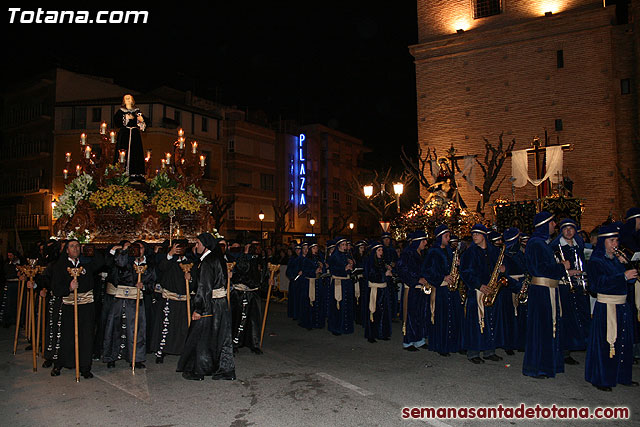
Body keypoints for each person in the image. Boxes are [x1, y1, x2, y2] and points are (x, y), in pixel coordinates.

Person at [523, 212, 580, 379]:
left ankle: (548, 364)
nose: (555, 225)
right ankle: (538, 366)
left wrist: (565, 270)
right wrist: (562, 266)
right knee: (542, 328)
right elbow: (539, 269)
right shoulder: (536, 244)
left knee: (550, 327)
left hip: (548, 290)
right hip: (542, 292)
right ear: (545, 224)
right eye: (552, 222)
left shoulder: (542, 243)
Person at [585, 223, 639, 391]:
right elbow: (596, 284)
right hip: (607, 306)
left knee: (624, 342)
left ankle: (622, 375)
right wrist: (622, 276)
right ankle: (601, 378)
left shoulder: (616, 259)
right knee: (606, 344)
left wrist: (626, 266)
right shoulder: (596, 260)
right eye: (612, 240)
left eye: (616, 240)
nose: (616, 244)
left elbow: (628, 281)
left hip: (622, 306)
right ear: (603, 242)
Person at [177, 233, 235, 380]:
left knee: (201, 337)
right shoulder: (216, 258)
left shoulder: (208, 261)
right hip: (219, 304)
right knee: (220, 336)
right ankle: (223, 370)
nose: (196, 246)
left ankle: (199, 371)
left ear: (205, 245)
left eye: (198, 243)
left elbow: (204, 288)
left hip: (210, 305)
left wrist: (199, 309)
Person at [50, 240, 104, 378]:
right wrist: (68, 288)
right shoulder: (60, 266)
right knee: (66, 336)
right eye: (72, 246)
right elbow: (55, 288)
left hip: (86, 306)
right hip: (68, 306)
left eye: (78, 246)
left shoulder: (85, 263)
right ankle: (60, 363)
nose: (75, 248)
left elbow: (101, 263)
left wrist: (91, 249)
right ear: (66, 250)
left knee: (86, 335)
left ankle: (85, 366)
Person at [102, 241, 156, 369]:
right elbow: (118, 264)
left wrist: (144, 286)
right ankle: (112, 356)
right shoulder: (126, 262)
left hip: (136, 300)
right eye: (135, 248)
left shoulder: (149, 266)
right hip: (120, 299)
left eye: (140, 248)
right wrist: (125, 250)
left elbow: (152, 284)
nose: (138, 250)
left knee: (137, 330)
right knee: (115, 327)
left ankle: (136, 358)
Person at [460, 224, 503, 364]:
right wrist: (479, 285)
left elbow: (501, 267)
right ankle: (473, 352)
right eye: (473, 234)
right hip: (477, 292)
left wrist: (503, 269)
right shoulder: (469, 252)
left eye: (477, 234)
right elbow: (465, 273)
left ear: (484, 235)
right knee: (475, 322)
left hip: (491, 290)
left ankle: (489, 350)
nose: (474, 236)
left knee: (491, 320)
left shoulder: (494, 251)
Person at [551, 218, 590, 365]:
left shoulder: (579, 246)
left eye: (571, 228)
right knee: (566, 317)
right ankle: (565, 350)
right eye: (565, 228)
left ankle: (580, 343)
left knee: (581, 315)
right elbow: (553, 267)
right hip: (564, 286)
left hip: (580, 285)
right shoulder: (556, 248)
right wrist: (567, 271)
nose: (568, 231)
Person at [422, 225, 461, 356]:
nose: (449, 239)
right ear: (440, 237)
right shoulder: (433, 252)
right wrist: (443, 277)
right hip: (440, 289)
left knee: (454, 316)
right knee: (441, 318)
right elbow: (427, 271)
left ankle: (454, 344)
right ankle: (441, 345)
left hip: (451, 288)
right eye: (446, 236)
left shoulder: (449, 251)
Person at [150, 240, 191, 363]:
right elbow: (161, 268)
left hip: (183, 300)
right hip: (169, 299)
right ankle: (161, 351)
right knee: (165, 326)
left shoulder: (190, 263)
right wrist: (171, 253)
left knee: (182, 328)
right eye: (177, 247)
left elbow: (195, 281)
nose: (180, 249)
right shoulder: (168, 261)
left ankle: (184, 351)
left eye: (182, 247)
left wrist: (190, 278)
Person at [397, 230, 429, 351]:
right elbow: (402, 270)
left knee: (420, 314)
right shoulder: (407, 254)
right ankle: (408, 341)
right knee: (411, 315)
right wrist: (416, 279)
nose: (426, 243)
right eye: (423, 241)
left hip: (421, 289)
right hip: (412, 289)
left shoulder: (422, 254)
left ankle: (419, 339)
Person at [230, 238, 263, 354]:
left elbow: (259, 273)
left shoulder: (257, 258)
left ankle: (254, 343)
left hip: (253, 292)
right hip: (240, 292)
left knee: (254, 318)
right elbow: (242, 269)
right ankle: (234, 342)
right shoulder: (239, 258)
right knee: (238, 318)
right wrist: (245, 254)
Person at [363, 241, 392, 343]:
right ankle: (372, 334)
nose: (381, 252)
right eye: (379, 250)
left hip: (383, 290)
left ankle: (382, 333)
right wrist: (385, 274)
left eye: (382, 250)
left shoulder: (382, 262)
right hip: (374, 290)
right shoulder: (370, 263)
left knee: (383, 311)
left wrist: (388, 272)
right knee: (373, 311)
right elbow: (372, 276)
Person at [114, 94, 147, 181]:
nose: (128, 100)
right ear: (124, 101)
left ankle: (135, 173)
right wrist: (126, 117)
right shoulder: (121, 111)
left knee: (135, 152)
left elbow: (143, 122)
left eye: (129, 99)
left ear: (132, 100)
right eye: (126, 99)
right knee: (122, 151)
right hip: (124, 134)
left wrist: (141, 120)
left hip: (135, 135)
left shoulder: (137, 111)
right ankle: (122, 172)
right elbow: (116, 121)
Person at [327, 237, 356, 336]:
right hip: (338, 282)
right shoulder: (334, 256)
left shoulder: (347, 255)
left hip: (346, 283)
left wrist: (351, 266)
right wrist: (344, 268)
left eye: (345, 244)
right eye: (343, 245)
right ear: (339, 246)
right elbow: (333, 269)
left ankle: (346, 326)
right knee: (337, 305)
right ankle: (336, 327)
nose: (345, 247)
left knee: (346, 305)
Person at [298, 243, 324, 330]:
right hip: (309, 283)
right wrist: (314, 271)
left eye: (316, 248)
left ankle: (317, 322)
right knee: (309, 303)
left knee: (318, 302)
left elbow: (322, 270)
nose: (316, 249)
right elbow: (305, 271)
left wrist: (321, 268)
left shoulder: (319, 258)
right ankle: (308, 322)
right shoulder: (306, 260)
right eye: (314, 248)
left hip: (318, 282)